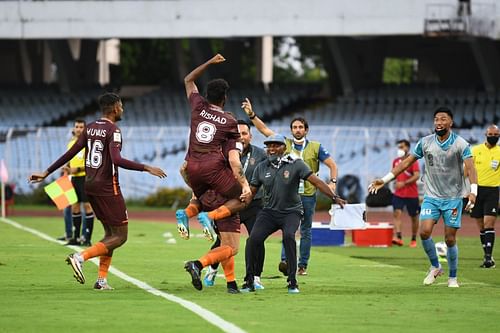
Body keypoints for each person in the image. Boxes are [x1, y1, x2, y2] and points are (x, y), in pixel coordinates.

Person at [29, 92, 166, 290]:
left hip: (90, 185)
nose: (122, 109)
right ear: (114, 108)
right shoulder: (114, 130)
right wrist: (147, 168)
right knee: (121, 236)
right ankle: (80, 257)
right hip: (108, 187)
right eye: (120, 106)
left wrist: (46, 172)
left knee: (110, 234)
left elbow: (71, 152)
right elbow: (117, 160)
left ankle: (101, 281)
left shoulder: (90, 127)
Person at [369, 107, 477, 288]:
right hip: (431, 196)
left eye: (443, 119)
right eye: (436, 119)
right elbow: (406, 163)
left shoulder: (461, 144)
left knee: (450, 238)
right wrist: (385, 180)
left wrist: (473, 191)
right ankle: (435, 266)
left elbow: (471, 168)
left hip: (453, 197)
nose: (439, 122)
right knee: (424, 231)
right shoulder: (425, 142)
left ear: (451, 122)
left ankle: (452, 277)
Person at [177, 54, 252, 293]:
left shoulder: (197, 106)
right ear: (225, 98)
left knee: (202, 200)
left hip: (191, 167)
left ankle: (230, 283)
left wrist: (209, 63)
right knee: (241, 199)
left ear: (206, 95)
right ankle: (206, 229)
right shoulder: (229, 121)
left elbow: (188, 79)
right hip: (213, 170)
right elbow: (233, 160)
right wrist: (246, 185)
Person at [242, 98, 338, 276]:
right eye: (295, 127)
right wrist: (251, 115)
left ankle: (302, 265)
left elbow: (332, 165)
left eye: (301, 127)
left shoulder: (316, 147)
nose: (298, 130)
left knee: (306, 230)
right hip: (286, 194)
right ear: (291, 130)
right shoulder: (283, 144)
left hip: (308, 194)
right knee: (288, 230)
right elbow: (264, 130)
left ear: (306, 130)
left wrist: (332, 183)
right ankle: (285, 261)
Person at [241, 134, 346, 294]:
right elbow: (252, 192)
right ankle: (249, 281)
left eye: (275, 145)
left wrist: (334, 197)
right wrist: (239, 203)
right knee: (253, 240)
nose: (271, 149)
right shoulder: (261, 167)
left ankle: (292, 281)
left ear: (284, 148)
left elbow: (316, 182)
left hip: (291, 212)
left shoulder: (296, 164)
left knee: (289, 237)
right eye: (269, 146)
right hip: (269, 212)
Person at [203, 120, 268, 289]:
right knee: (223, 241)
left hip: (254, 204)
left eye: (244, 133)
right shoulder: (224, 153)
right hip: (231, 204)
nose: (241, 137)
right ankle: (212, 269)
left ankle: (255, 277)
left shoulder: (261, 154)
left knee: (257, 239)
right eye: (237, 133)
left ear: (250, 136)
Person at [470, 124, 499, 268]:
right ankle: (487, 255)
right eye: (491, 134)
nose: (494, 137)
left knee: (489, 224)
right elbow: (467, 170)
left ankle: (488, 258)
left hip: (493, 191)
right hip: (476, 190)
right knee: (481, 226)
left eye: (496, 135)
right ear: (485, 134)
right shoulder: (475, 150)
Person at [63, 119, 95, 246]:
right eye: (77, 126)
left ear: (85, 129)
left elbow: (93, 164)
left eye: (81, 127)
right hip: (74, 179)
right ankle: (75, 238)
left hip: (85, 178)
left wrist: (78, 169)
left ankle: (87, 238)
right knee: (74, 207)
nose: (78, 129)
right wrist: (67, 167)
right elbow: (71, 160)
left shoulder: (89, 144)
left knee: (87, 207)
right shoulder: (71, 144)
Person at [391, 139, 420, 248]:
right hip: (398, 193)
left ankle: (413, 239)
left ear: (408, 148)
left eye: (402, 147)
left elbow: (416, 175)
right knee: (397, 213)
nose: (400, 149)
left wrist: (404, 183)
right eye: (399, 147)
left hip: (411, 194)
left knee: (413, 217)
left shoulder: (413, 161)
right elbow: (393, 174)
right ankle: (398, 237)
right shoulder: (395, 161)